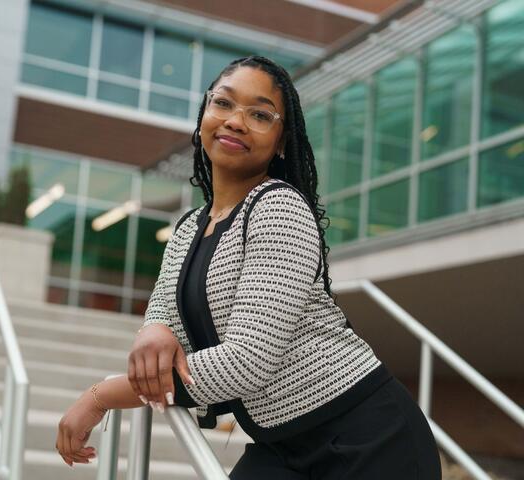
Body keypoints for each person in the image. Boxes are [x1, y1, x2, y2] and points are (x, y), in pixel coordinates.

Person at [56, 55, 442, 479]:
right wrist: (153, 328)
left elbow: (245, 362)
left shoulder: (279, 208)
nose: (236, 121)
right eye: (223, 104)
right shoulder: (187, 228)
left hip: (370, 439)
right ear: (205, 112)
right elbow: (161, 318)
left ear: (280, 141)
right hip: (280, 445)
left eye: (259, 114)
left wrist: (99, 397)